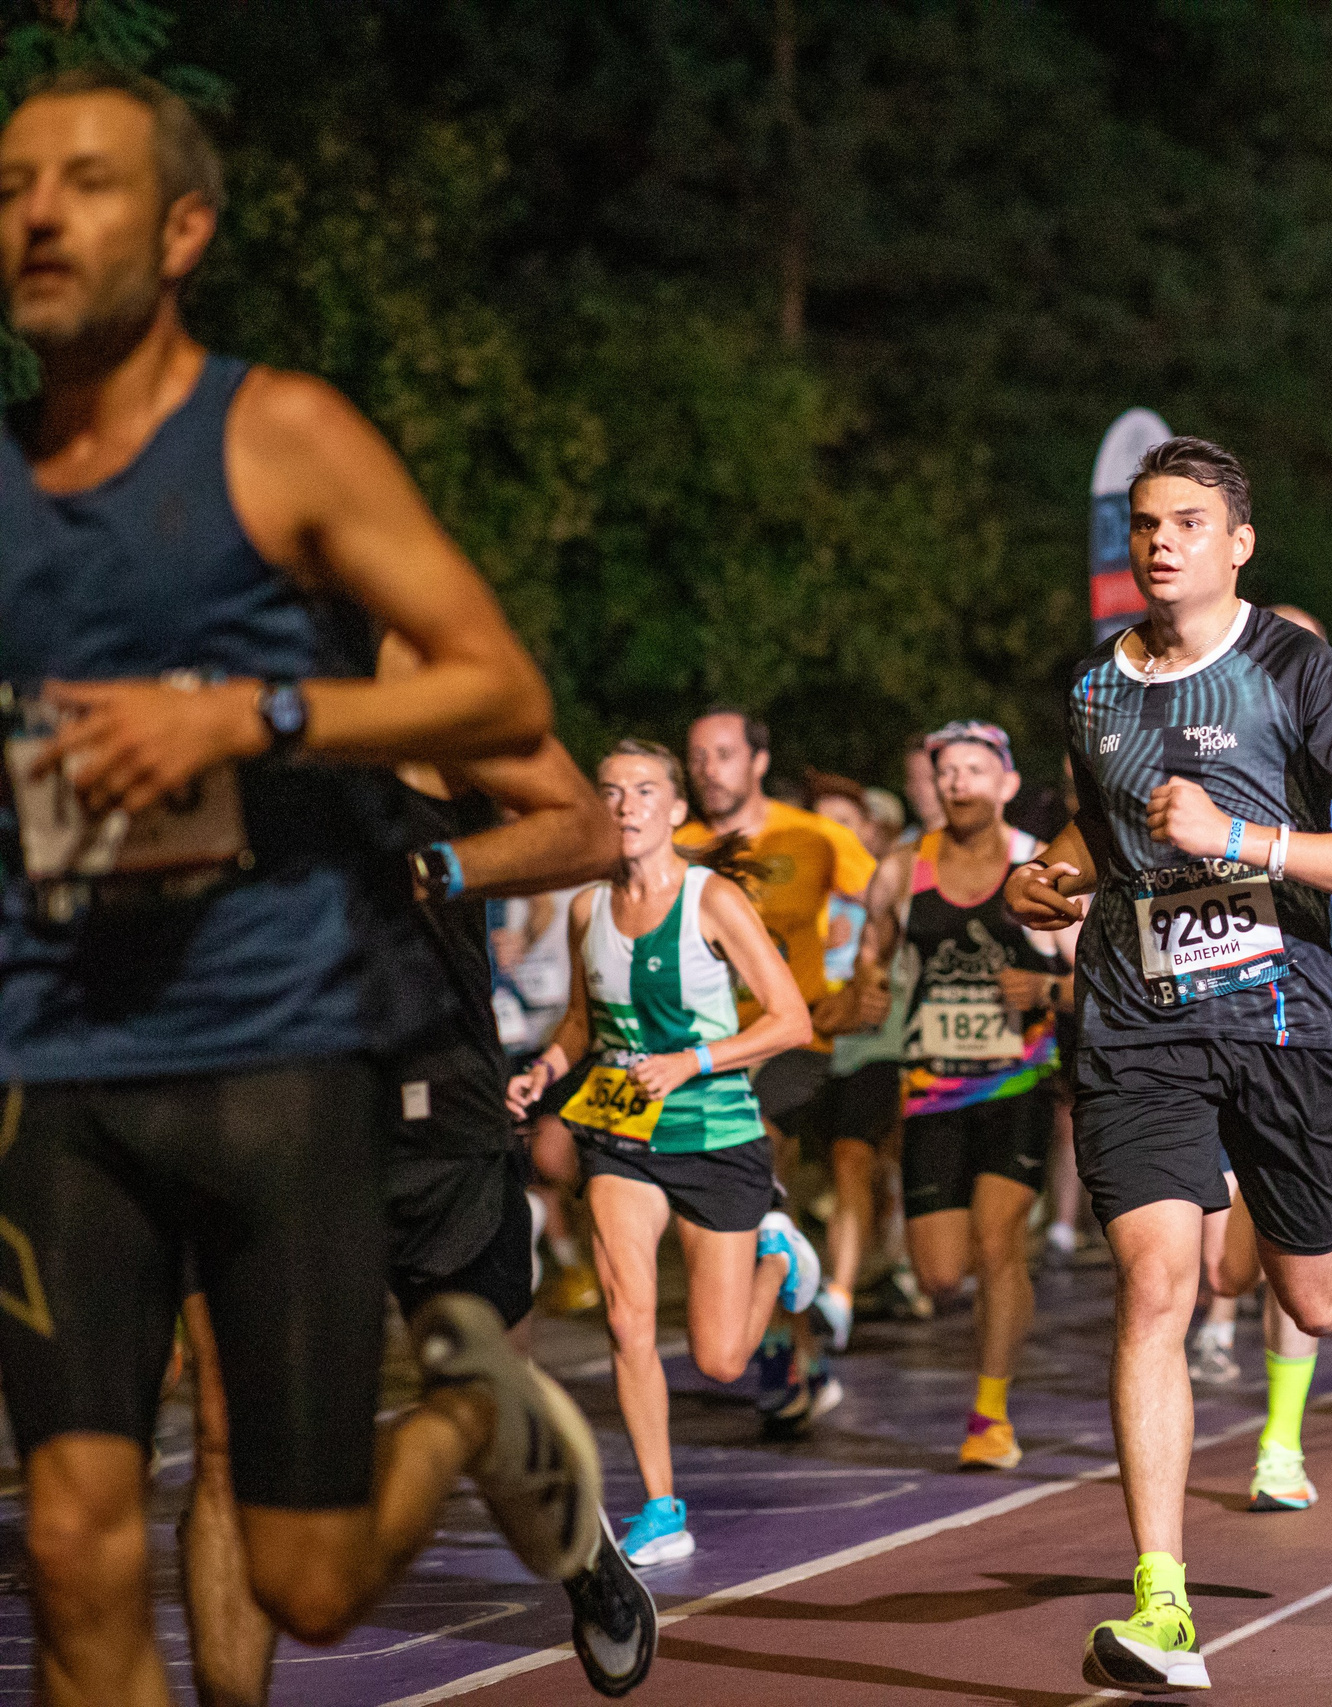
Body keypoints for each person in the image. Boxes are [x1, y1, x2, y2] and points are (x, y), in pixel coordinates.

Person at [0, 69, 608, 1700]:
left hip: (274, 1057)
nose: (38, 215)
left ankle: (481, 1410)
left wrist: (252, 715)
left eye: (86, 182)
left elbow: (501, 689)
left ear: (182, 230)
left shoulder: (278, 435)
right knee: (73, 1544)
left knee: (312, 1572)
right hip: (61, 1047)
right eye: (11, 185)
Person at [1002, 436, 1332, 1694]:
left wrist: (1242, 838)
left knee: (1310, 1296)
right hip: (1137, 1019)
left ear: (1239, 543)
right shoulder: (1092, 688)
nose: (1162, 543)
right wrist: (1044, 873)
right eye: (1147, 524)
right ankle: (1161, 1604)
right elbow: (1098, 829)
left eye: (1190, 523)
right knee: (1157, 1289)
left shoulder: (1298, 671)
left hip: (1284, 1022)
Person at [178, 636, 652, 1704]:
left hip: (430, 1093)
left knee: (485, 1388)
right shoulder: (169, 662)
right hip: (250, 1095)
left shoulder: (398, 660)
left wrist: (431, 872)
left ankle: (579, 1551)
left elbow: (583, 828)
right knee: (223, 1437)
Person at [507, 741, 821, 1568]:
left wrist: (693, 1061)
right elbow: (584, 1022)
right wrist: (544, 1069)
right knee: (627, 1317)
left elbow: (791, 1020)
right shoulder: (587, 910)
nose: (626, 805)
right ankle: (660, 1505)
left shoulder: (711, 899)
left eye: (644, 790)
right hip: (621, 1138)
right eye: (611, 791)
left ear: (676, 810)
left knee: (721, 1358)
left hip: (715, 1137)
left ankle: (777, 1254)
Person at [847, 719, 1065, 1470]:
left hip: (1019, 1080)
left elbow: (1095, 971)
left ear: (1007, 783)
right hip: (932, 1089)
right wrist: (866, 986)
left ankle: (990, 1414)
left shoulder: (1039, 864)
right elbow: (870, 958)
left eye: (974, 769)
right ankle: (997, 1324)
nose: (958, 782)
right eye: (946, 772)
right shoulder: (901, 869)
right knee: (940, 1274)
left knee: (998, 1240)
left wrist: (1046, 987)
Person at [683, 706, 876, 1427]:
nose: (710, 769)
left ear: (759, 761)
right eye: (698, 756)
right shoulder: (678, 845)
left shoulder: (815, 836)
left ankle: (775, 1351)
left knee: (757, 1153)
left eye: (724, 753)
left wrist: (865, 980)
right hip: (702, 1049)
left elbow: (887, 900)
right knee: (736, 1208)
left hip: (795, 1037)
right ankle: (799, 1344)